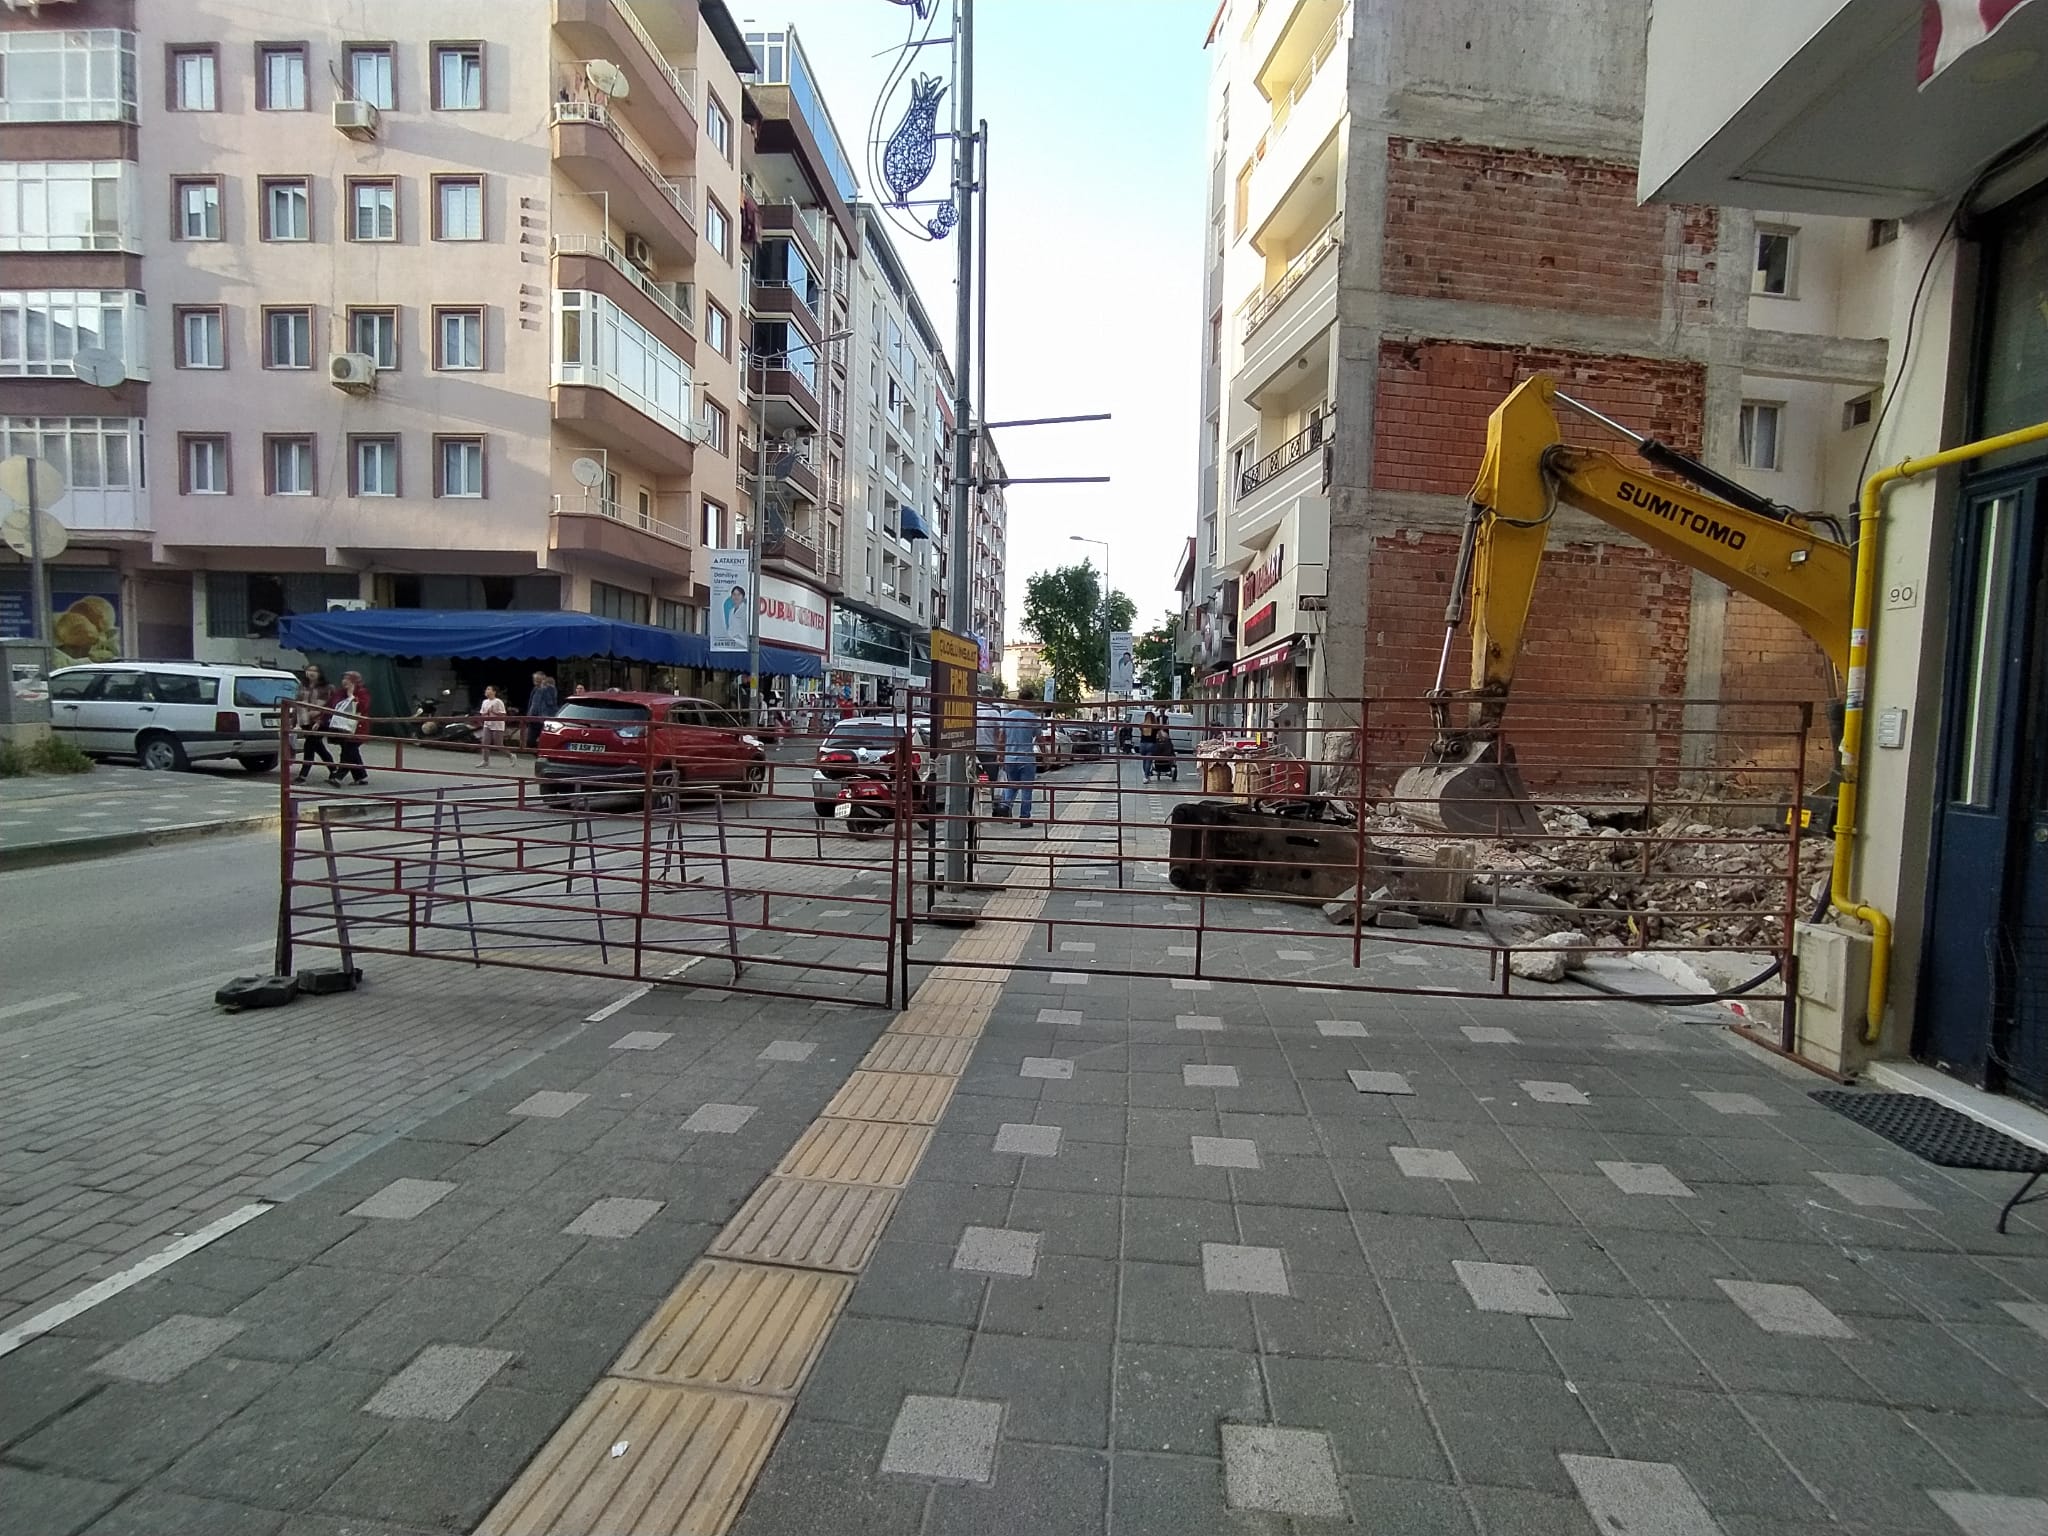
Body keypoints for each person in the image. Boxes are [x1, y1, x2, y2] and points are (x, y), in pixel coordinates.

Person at [996, 699, 1039, 827]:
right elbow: (1040, 739)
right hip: (1027, 759)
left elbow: (1001, 738)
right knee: (1027, 789)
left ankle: (1005, 806)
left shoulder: (1007, 717)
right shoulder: (1033, 719)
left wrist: (1001, 755)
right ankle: (1024, 818)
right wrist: (1046, 755)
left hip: (1010, 758)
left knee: (1012, 785)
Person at [292, 665, 335, 783]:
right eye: (309, 670)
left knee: (310, 746)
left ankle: (303, 775)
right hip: (305, 720)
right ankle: (334, 770)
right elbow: (297, 703)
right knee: (318, 747)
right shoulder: (302, 686)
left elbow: (329, 705)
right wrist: (294, 722)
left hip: (320, 721)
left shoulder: (327, 687)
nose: (311, 673)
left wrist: (320, 720)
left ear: (320, 673)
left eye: (315, 671)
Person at [330, 672, 370, 784]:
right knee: (351, 751)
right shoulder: (340, 693)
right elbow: (333, 705)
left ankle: (338, 777)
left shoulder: (362, 693)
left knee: (349, 751)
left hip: (357, 727)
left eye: (348, 679)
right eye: (344, 678)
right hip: (342, 726)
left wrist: (351, 696)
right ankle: (360, 776)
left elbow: (363, 707)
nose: (345, 681)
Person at [525, 671, 558, 750]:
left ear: (542, 679)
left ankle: (542, 755)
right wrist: (528, 715)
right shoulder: (535, 689)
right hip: (533, 719)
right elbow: (530, 703)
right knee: (530, 741)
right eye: (534, 679)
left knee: (545, 741)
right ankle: (538, 754)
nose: (535, 680)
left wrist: (544, 687)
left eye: (537, 679)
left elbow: (551, 701)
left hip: (545, 719)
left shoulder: (550, 688)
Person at [477, 684, 507, 765]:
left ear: (494, 692)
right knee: (484, 743)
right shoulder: (485, 702)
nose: (486, 691)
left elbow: (503, 715)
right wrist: (486, 713)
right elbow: (482, 714)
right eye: (486, 689)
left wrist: (494, 712)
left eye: (489, 689)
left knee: (498, 745)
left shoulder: (498, 701)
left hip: (497, 725)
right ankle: (485, 761)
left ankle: (511, 755)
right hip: (487, 724)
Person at [1139, 710, 1159, 780]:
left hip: (1142, 744)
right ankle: (1146, 776)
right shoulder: (1155, 726)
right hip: (1151, 744)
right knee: (1148, 761)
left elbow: (1141, 732)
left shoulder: (1142, 725)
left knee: (1144, 761)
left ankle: (1146, 775)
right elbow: (1159, 733)